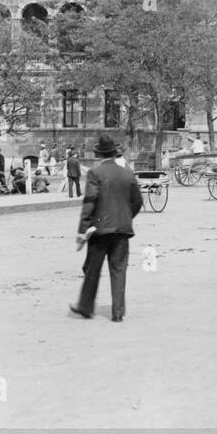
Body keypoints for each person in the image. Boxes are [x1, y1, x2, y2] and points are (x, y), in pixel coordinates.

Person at [70, 134, 143, 323]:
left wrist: (82, 229)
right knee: (119, 270)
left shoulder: (95, 173)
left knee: (92, 269)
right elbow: (137, 201)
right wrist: (126, 217)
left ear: (99, 154)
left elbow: (89, 203)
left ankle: (86, 307)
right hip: (122, 230)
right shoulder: (127, 173)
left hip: (99, 230)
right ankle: (118, 313)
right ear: (114, 152)